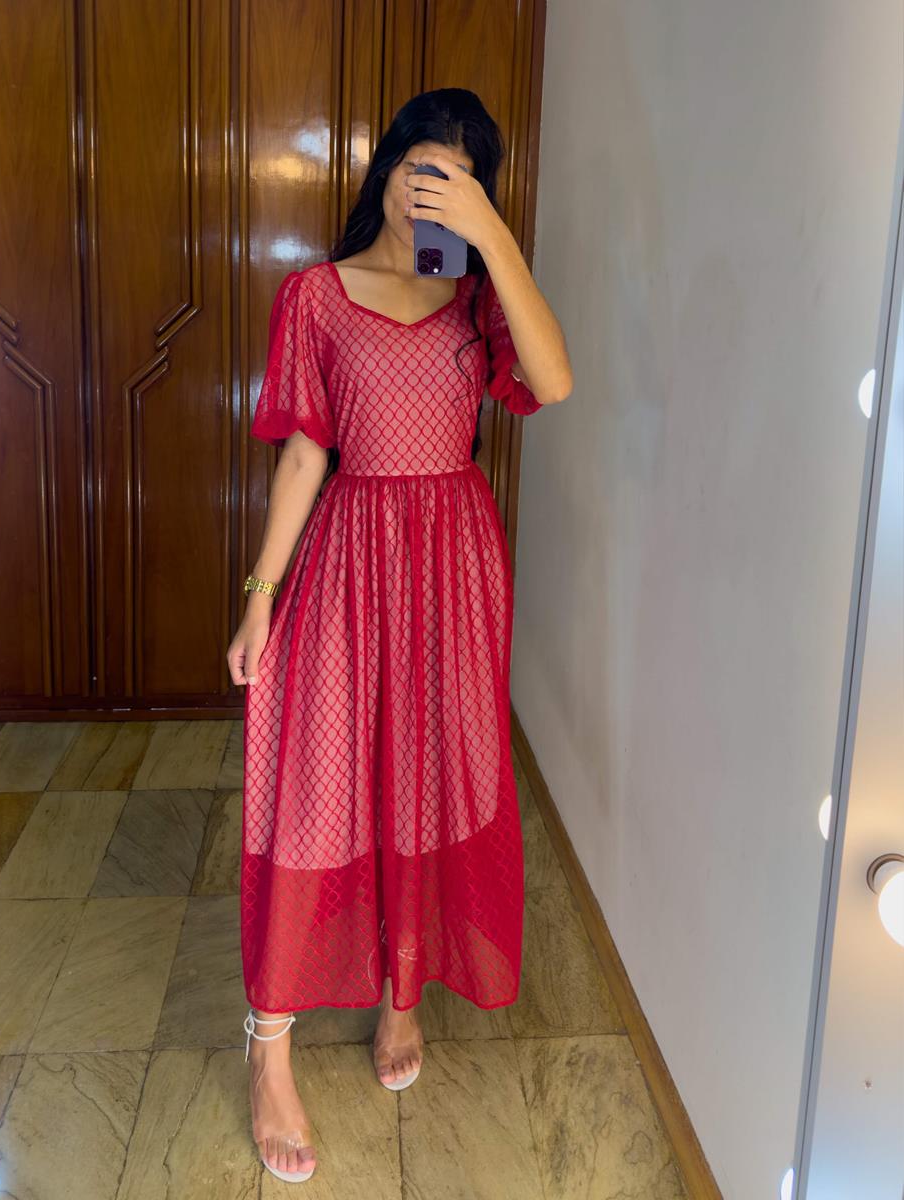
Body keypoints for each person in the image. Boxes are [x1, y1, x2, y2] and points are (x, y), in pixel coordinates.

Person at [226, 86, 572, 1184]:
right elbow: (303, 452)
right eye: (426, 168)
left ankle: (401, 993)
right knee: (318, 788)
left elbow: (553, 381)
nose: (436, 192)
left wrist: (490, 240)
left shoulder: (478, 301)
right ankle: (269, 1048)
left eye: (461, 180)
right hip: (349, 560)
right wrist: (259, 592)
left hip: (453, 570)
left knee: (424, 779)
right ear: (386, 168)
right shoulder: (317, 297)